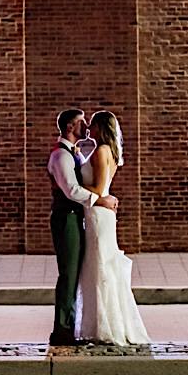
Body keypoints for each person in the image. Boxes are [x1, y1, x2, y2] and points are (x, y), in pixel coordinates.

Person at [76, 110, 150, 346]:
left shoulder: (100, 151)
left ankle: (104, 326)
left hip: (98, 213)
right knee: (102, 266)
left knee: (100, 268)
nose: (89, 127)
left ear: (100, 127)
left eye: (93, 124)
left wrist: (74, 181)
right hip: (102, 213)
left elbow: (98, 190)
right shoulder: (109, 152)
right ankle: (107, 323)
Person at [48, 108, 118, 346]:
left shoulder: (73, 153)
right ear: (69, 126)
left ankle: (71, 326)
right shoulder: (61, 156)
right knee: (68, 274)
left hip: (78, 217)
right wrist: (102, 199)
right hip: (66, 217)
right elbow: (72, 190)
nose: (86, 126)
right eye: (81, 122)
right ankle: (62, 331)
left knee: (78, 273)